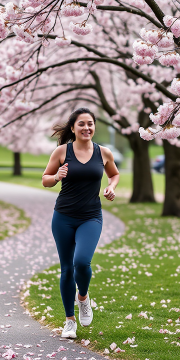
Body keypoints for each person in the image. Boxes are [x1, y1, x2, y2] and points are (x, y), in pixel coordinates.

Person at [42, 108, 120, 339]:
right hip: (63, 216)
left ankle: (83, 298)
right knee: (67, 269)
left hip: (91, 216)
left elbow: (114, 174)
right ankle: (69, 321)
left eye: (91, 124)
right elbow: (45, 179)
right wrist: (57, 177)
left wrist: (111, 187)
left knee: (82, 262)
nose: (87, 128)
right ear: (73, 128)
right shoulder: (61, 152)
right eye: (82, 124)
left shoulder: (103, 153)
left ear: (94, 127)